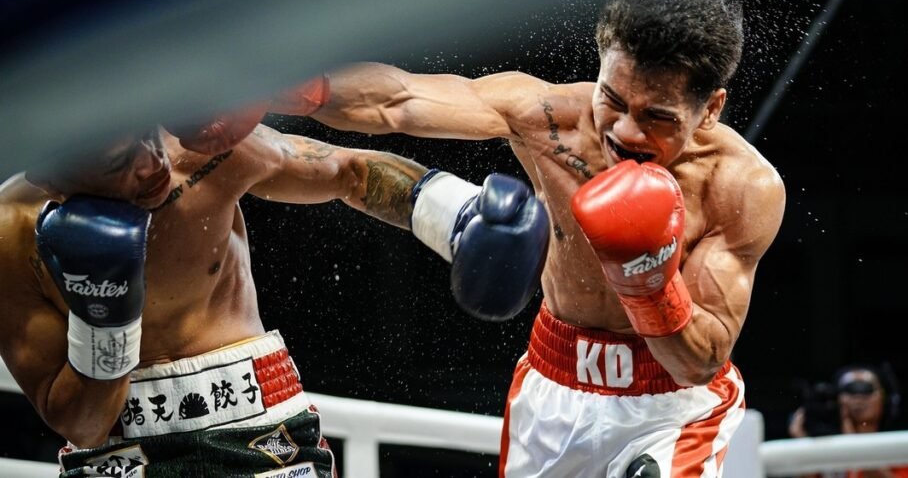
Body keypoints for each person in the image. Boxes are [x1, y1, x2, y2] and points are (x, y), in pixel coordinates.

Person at [305, 0, 786, 477]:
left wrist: (648, 282)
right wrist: (299, 91)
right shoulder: (549, 119)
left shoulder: (740, 186)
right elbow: (397, 100)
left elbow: (700, 361)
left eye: (657, 117)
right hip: (553, 387)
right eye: (613, 100)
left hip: (673, 410)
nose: (625, 131)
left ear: (710, 109)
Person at [0, 84, 548, 477]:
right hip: (120, 457)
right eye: (120, 161)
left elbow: (349, 172)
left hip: (258, 431)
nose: (153, 162)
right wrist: (106, 321)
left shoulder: (197, 152)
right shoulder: (10, 235)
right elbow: (83, 424)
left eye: (147, 134)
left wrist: (455, 217)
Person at [788, 365, 908, 478]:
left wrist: (852, 444)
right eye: (850, 390)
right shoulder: (827, 451)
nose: (858, 398)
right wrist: (804, 449)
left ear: (886, 398)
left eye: (866, 389)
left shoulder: (902, 448)